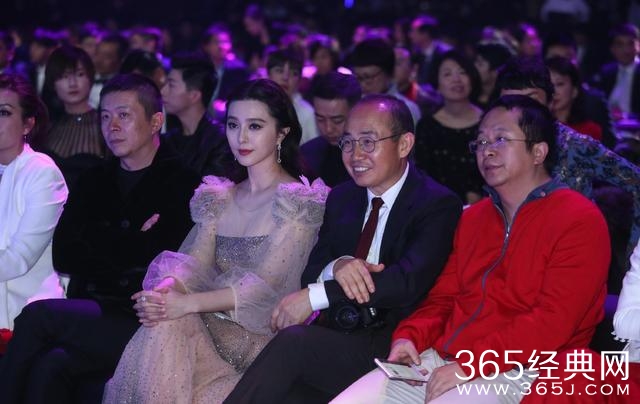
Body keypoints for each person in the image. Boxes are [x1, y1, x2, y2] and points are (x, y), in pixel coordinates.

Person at [333, 95, 610, 403]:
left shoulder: (578, 219)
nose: (486, 150)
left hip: (526, 369)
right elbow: (443, 299)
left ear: (538, 151)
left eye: (501, 139)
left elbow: (552, 322)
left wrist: (474, 364)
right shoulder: (473, 219)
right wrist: (409, 337)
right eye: (480, 142)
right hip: (446, 359)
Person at [225, 94, 462, 403]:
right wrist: (337, 266)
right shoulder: (342, 197)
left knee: (294, 343)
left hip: (394, 342)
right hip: (337, 334)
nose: (355, 155)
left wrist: (317, 295)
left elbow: (406, 282)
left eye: (368, 142)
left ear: (404, 144)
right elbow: (311, 271)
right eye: (348, 143)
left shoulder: (437, 203)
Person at [103, 78, 328, 403]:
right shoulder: (219, 196)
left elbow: (265, 288)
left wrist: (186, 304)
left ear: (282, 133)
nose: (241, 137)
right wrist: (164, 291)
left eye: (255, 126)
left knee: (172, 321)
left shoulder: (298, 203)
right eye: (233, 125)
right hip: (206, 329)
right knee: (166, 319)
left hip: (256, 344)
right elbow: (193, 264)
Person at [0, 73, 201, 403]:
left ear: (155, 122)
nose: (112, 127)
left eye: (124, 115)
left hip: (146, 318)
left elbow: (165, 259)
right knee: (52, 364)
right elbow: (65, 254)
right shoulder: (94, 179)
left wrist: (100, 239)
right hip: (93, 308)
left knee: (38, 317)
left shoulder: (183, 183)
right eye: (105, 117)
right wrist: (132, 239)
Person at [495, 56, 640, 257]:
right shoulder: (491, 146)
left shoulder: (576, 146)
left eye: (530, 100)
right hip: (510, 253)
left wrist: (633, 255)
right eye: (511, 103)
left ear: (550, 101)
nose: (521, 111)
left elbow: (636, 181)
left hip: (574, 253)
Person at [0, 73, 68, 333]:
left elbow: (19, 258)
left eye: (4, 113)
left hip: (31, 315)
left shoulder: (42, 173)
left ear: (27, 124)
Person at [414, 50, 485, 205]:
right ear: (437, 84)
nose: (456, 79)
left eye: (462, 72)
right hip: (438, 208)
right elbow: (422, 177)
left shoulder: (488, 120)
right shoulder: (426, 126)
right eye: (447, 74)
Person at [41, 45, 107, 189]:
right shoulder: (46, 128)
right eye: (64, 76)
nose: (72, 83)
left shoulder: (105, 125)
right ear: (53, 84)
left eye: (80, 74)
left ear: (91, 78)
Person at [161, 52, 235, 178]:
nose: (163, 91)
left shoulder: (220, 140)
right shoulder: (167, 140)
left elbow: (213, 187)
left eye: (171, 85)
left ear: (194, 95)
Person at [301, 71, 360, 186]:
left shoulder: (371, 155)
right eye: (320, 119)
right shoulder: (307, 154)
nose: (328, 129)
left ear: (357, 112)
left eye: (337, 120)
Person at [348, 38, 422, 125]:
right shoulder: (352, 105)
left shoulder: (407, 110)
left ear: (389, 74)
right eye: (358, 77)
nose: (362, 84)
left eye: (368, 77)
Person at [266, 48, 319, 145]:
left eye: (293, 73)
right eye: (279, 71)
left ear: (299, 80)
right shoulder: (257, 106)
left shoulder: (307, 113)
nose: (285, 77)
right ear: (268, 75)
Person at [545, 56, 602, 141]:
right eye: (548, 84)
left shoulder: (590, 130)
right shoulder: (537, 127)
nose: (553, 91)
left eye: (559, 84)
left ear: (574, 91)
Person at [591, 23, 640, 120]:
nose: (626, 50)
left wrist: (626, 117)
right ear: (612, 49)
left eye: (631, 44)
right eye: (620, 44)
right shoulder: (606, 72)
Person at [473, 42, 513, 108]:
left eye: (480, 64)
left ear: (496, 71)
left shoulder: (503, 102)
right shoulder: (469, 92)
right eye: (475, 61)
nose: (474, 66)